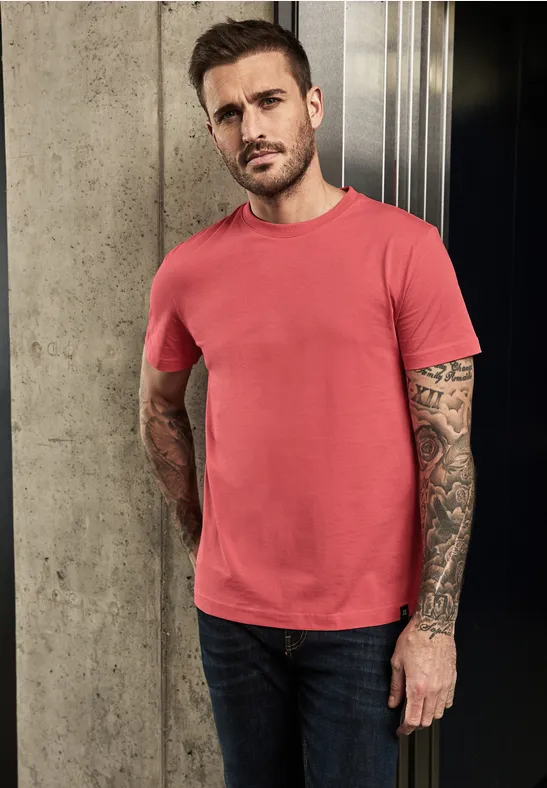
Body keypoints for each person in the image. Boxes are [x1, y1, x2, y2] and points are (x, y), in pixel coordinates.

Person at [139, 17, 481, 788]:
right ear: (213, 131)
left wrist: (434, 627)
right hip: (233, 622)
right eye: (229, 113)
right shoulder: (187, 270)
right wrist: (200, 540)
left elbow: (448, 450)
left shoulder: (407, 250)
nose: (252, 129)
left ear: (312, 105)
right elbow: (158, 407)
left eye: (269, 101)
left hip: (363, 626)